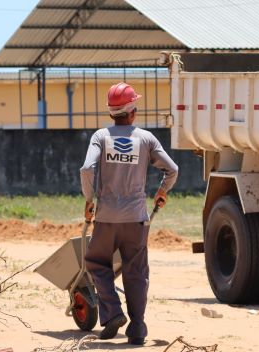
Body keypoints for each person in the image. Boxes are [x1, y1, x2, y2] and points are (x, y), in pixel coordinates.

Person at [80, 82, 178, 345]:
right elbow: (173, 169)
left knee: (96, 262)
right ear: (132, 110)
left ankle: (112, 312)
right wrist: (161, 191)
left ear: (111, 112)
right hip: (136, 219)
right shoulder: (146, 139)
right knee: (136, 272)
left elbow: (87, 169)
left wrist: (89, 199)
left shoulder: (100, 136)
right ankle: (137, 329)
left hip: (106, 217)